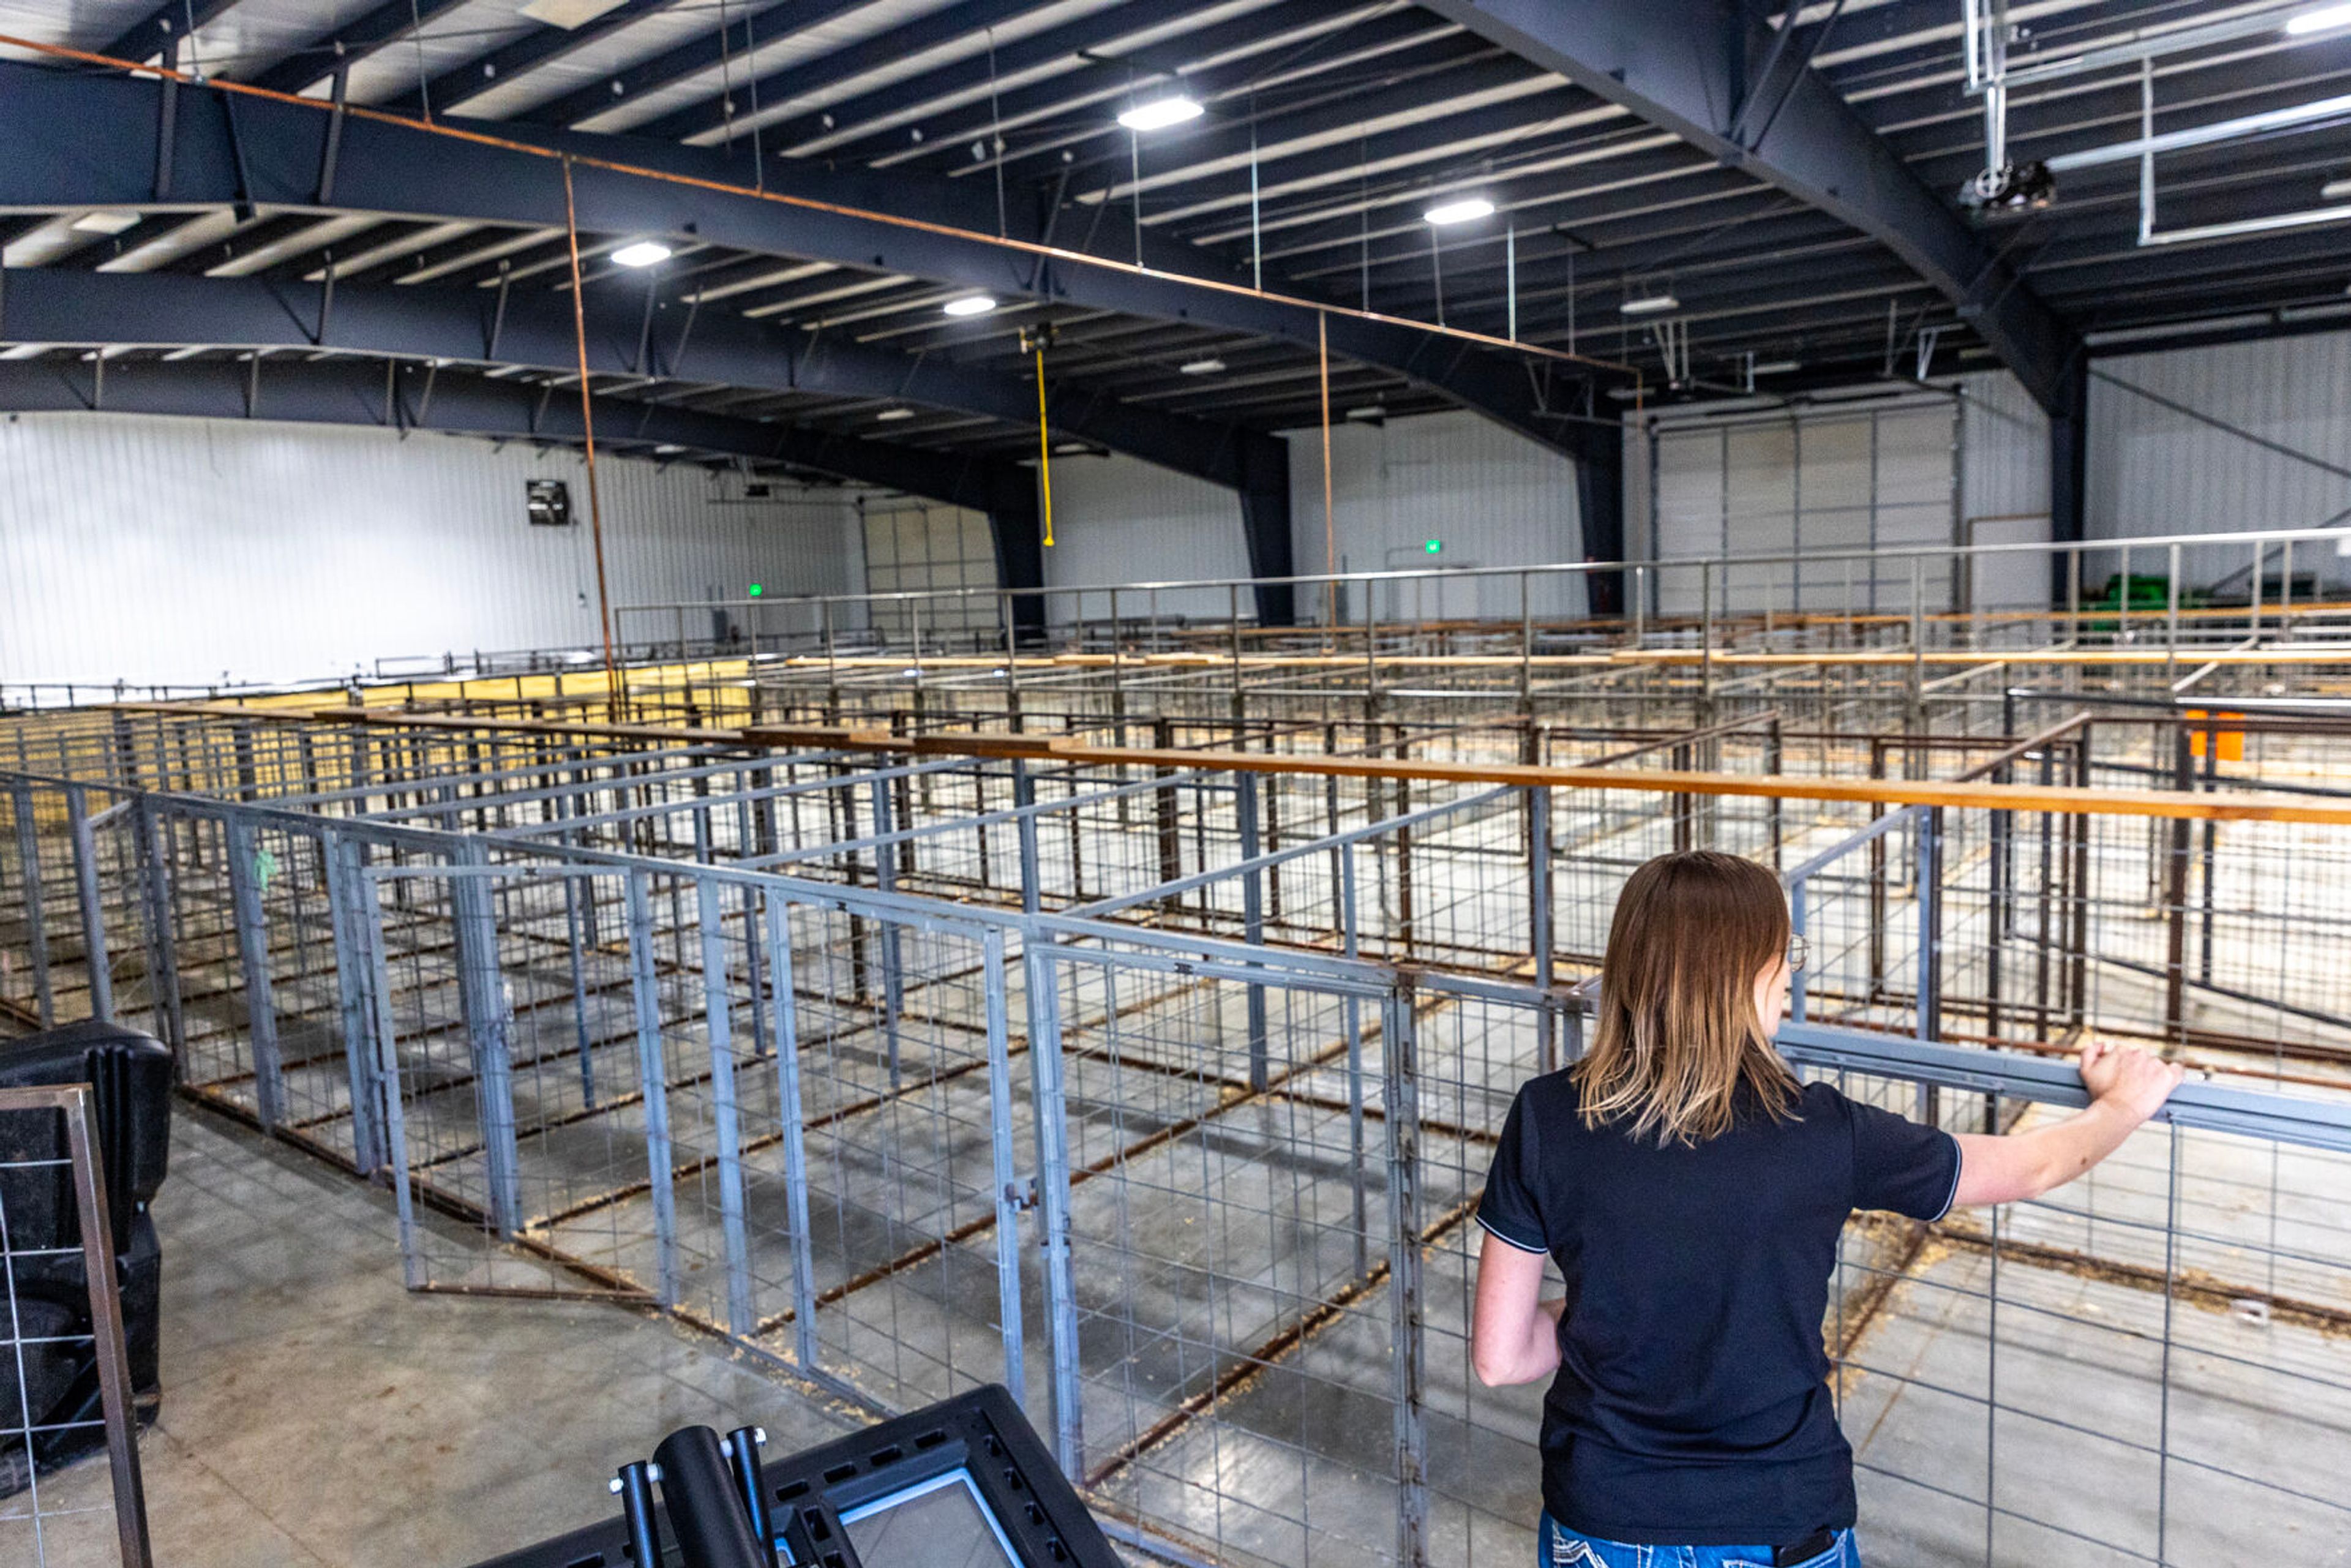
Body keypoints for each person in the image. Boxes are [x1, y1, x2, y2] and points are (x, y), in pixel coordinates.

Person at [1471, 850, 2184, 1568]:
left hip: (1603, 1516)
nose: (1791, 977)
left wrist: (1606, 1307)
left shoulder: (1548, 1117)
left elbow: (1503, 1358)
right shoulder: (1827, 1132)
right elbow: (2034, 1166)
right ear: (1751, 973)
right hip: (1782, 1514)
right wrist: (2124, 1103)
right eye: (1787, 956)